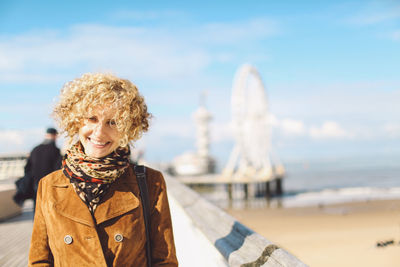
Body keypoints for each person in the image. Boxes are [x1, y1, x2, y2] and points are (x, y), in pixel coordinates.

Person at [28, 73, 178, 266]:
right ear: (75, 121)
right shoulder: (49, 186)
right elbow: (39, 260)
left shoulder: (150, 182)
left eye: (112, 122)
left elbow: (165, 260)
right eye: (91, 119)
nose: (99, 132)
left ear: (128, 127)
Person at [24, 127, 62, 208]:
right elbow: (58, 169)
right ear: (54, 136)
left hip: (35, 184)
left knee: (37, 208)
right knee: (49, 210)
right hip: (50, 185)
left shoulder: (35, 149)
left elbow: (27, 168)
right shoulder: (55, 150)